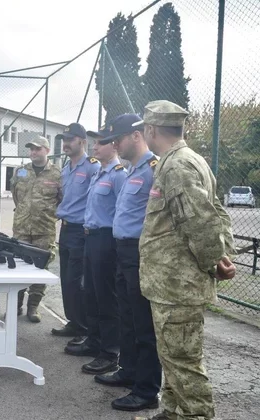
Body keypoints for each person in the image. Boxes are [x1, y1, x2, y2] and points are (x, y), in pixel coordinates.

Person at [134, 100, 236, 420]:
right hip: (171, 282)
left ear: (150, 130)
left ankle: (197, 415)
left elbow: (201, 220)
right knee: (172, 354)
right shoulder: (189, 160)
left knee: (182, 359)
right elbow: (217, 210)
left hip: (177, 283)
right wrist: (224, 253)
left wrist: (215, 261)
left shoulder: (176, 165)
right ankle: (171, 411)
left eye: (144, 130)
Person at [90, 114, 162, 413]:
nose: (114, 143)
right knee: (129, 318)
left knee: (143, 322)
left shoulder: (155, 170)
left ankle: (146, 389)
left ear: (137, 135)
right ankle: (128, 370)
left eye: (118, 138)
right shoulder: (133, 170)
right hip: (123, 251)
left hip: (140, 252)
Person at [64, 125, 127, 378]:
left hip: (106, 239)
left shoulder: (119, 174)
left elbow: (122, 210)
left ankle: (110, 352)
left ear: (114, 146)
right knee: (90, 292)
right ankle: (94, 339)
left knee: (106, 297)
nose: (94, 146)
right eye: (95, 142)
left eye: (100, 143)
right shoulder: (99, 173)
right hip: (90, 237)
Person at [53, 123, 100, 340]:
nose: (66, 144)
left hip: (81, 231)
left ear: (82, 142)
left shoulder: (92, 167)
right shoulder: (66, 169)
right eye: (64, 140)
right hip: (65, 228)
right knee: (66, 279)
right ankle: (73, 321)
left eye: (70, 140)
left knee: (77, 280)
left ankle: (84, 326)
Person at [10, 135, 61, 322]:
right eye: (31, 149)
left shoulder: (57, 174)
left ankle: (33, 307)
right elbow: (16, 196)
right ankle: (15, 305)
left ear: (47, 151)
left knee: (40, 268)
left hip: (44, 230)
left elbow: (61, 200)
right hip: (22, 229)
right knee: (17, 268)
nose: (33, 152)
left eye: (37, 149)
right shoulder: (20, 172)